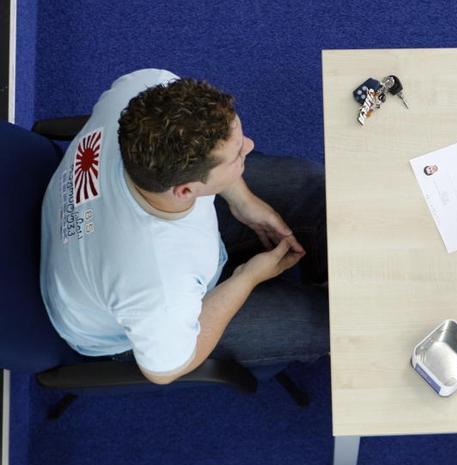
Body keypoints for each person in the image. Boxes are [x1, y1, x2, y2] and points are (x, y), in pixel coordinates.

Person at [40, 69, 329, 385]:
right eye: (236, 156)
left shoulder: (146, 87)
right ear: (186, 190)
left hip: (112, 250)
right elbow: (165, 371)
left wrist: (243, 199)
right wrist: (247, 278)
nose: (249, 145)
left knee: (314, 187)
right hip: (138, 326)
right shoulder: (158, 286)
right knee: (328, 322)